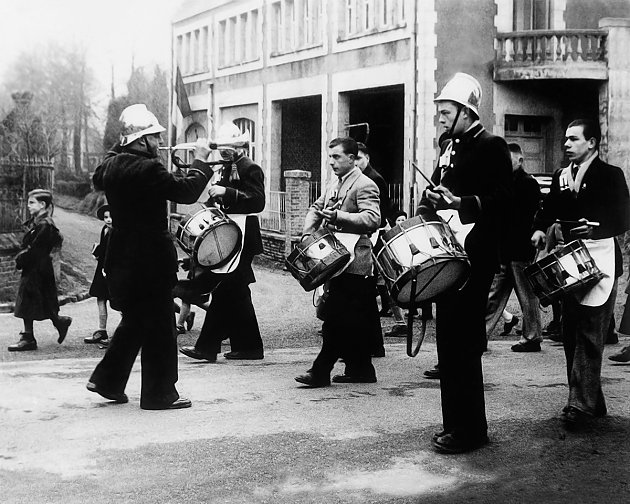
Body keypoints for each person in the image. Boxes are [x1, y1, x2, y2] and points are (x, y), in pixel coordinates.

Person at [86, 103, 214, 410]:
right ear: (142, 140)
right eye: (154, 137)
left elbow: (108, 162)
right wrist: (200, 160)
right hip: (150, 260)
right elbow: (187, 192)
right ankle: (159, 394)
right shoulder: (149, 169)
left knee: (135, 320)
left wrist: (127, 136)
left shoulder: (110, 165)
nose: (159, 142)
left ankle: (107, 381)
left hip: (121, 257)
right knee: (159, 327)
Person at [417, 73, 512, 453]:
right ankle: (453, 423)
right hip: (448, 251)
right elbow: (441, 189)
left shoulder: (492, 146)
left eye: (445, 111)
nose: (439, 118)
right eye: (439, 111)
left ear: (465, 112)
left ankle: (472, 430)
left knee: (465, 343)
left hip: (476, 255)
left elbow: (504, 200)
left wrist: (462, 203)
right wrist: (429, 202)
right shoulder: (449, 146)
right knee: (447, 342)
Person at [531, 118, 630, 427]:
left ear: (592, 143)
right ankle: (591, 401)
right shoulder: (562, 176)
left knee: (590, 332)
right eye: (565, 139)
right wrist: (538, 228)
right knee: (572, 333)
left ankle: (580, 406)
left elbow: (625, 216)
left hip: (601, 259)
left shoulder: (610, 175)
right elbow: (548, 209)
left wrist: (599, 228)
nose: (566, 144)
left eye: (573, 139)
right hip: (569, 261)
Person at [295, 136, 381, 387]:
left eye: (336, 157)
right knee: (352, 320)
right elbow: (316, 206)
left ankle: (320, 371)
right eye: (329, 156)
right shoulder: (336, 182)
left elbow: (372, 219)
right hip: (337, 257)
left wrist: (339, 216)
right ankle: (361, 369)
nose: (331, 162)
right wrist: (306, 235)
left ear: (352, 158)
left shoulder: (365, 184)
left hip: (355, 261)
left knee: (336, 318)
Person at [179, 121, 266, 362]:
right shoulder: (228, 167)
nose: (224, 151)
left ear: (239, 146)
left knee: (227, 290)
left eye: (229, 147)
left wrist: (227, 193)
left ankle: (207, 347)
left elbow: (258, 202)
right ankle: (249, 347)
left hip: (243, 234)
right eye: (223, 147)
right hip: (230, 233)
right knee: (236, 293)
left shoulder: (250, 168)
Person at [485, 143, 542, 352]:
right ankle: (479, 337)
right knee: (496, 295)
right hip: (506, 249)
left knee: (525, 295)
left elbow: (524, 218)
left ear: (519, 160)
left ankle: (532, 336)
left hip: (519, 249)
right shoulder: (506, 183)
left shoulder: (527, 184)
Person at [8, 189, 72, 351]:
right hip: (37, 268)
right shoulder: (38, 222)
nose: (28, 206)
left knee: (27, 302)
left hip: (38, 268)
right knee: (38, 301)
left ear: (42, 204)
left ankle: (28, 338)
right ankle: (59, 322)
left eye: (31, 202)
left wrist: (21, 258)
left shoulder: (45, 225)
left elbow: (37, 249)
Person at [355, 142, 388, 357]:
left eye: (358, 158)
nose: (356, 162)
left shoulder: (372, 180)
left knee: (365, 291)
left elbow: (378, 214)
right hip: (364, 235)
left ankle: (372, 345)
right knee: (365, 294)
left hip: (371, 235)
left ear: (366, 157)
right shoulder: (359, 178)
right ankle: (374, 345)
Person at [84, 204, 113, 347]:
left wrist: (108, 267)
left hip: (113, 270)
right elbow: (104, 248)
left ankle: (124, 334)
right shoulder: (105, 229)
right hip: (102, 269)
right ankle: (102, 330)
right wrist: (98, 253)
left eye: (111, 217)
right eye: (106, 217)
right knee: (100, 298)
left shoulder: (118, 232)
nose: (108, 220)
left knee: (119, 303)